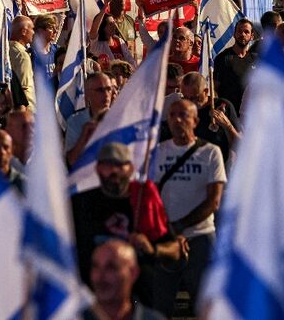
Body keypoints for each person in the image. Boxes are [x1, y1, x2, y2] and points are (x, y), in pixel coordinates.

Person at [71, 143, 183, 306]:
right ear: (98, 168)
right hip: (92, 300)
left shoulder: (144, 200)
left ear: (130, 168)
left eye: (119, 164)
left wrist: (152, 249)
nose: (114, 171)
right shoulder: (81, 202)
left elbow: (175, 250)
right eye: (108, 165)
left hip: (138, 299)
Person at [152, 99, 226, 317]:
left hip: (200, 237)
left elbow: (214, 201)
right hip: (166, 238)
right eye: (172, 115)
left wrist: (180, 227)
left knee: (203, 304)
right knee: (161, 303)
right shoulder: (157, 152)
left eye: (183, 115)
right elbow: (151, 197)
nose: (177, 120)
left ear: (195, 121)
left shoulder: (211, 153)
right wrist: (168, 230)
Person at [83, 241, 166, 320]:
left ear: (133, 273)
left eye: (111, 267)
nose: (100, 277)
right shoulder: (74, 316)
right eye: (96, 267)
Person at [177, 72, 241, 166]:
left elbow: (241, 147)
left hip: (219, 168)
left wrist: (228, 126)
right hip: (192, 168)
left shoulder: (222, 106)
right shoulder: (180, 109)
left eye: (194, 98)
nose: (189, 103)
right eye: (185, 98)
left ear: (206, 91)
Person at [65, 72, 115, 166]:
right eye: (100, 90)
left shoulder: (121, 117)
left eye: (109, 89)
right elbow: (72, 161)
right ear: (88, 94)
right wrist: (85, 135)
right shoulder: (75, 121)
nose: (106, 94)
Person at [212, 18, 258, 113]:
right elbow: (214, 88)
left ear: (252, 36)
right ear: (234, 34)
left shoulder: (256, 60)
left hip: (250, 113)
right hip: (228, 112)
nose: (242, 35)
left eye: (246, 32)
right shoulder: (222, 58)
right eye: (239, 31)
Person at [89, 4, 137, 69]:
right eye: (110, 24)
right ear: (102, 27)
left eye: (114, 23)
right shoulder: (97, 45)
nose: (114, 26)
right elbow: (93, 31)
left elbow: (131, 62)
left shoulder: (120, 41)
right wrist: (105, 7)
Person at [8, 15, 35, 111]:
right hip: (24, 111)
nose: (33, 32)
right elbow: (24, 88)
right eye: (32, 29)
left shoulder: (4, 49)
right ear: (24, 31)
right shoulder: (22, 56)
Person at [4, 108, 33, 176]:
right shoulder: (1, 160)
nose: (6, 130)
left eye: (10, 125)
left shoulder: (46, 161)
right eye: (24, 126)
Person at [31, 14, 59, 81]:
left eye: (56, 28)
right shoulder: (31, 54)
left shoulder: (57, 51)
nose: (55, 31)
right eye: (51, 28)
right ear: (40, 30)